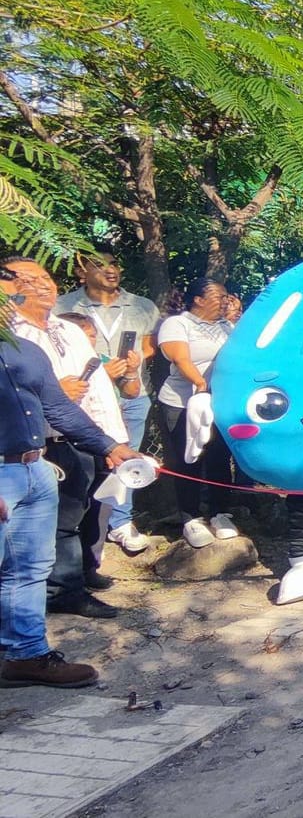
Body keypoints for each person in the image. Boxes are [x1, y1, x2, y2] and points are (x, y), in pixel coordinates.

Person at [0, 281, 140, 687]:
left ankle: (25, 655)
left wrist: (110, 446)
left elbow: (58, 408)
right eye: (15, 290)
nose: (20, 299)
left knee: (30, 568)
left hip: (34, 469)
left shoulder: (27, 351)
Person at [54, 246, 160, 555]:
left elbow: (149, 345)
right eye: (100, 266)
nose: (111, 270)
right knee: (87, 465)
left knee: (129, 461)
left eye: (114, 264)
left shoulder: (142, 305)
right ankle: (84, 529)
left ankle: (122, 524)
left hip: (132, 393)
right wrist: (101, 371)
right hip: (86, 400)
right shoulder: (63, 305)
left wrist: (133, 361)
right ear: (81, 272)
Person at [156, 276, 236, 547]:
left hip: (220, 404)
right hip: (182, 403)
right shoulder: (177, 324)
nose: (224, 301)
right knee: (187, 459)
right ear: (198, 300)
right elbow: (180, 358)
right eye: (218, 296)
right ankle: (190, 517)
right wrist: (200, 384)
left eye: (226, 296)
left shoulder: (228, 327)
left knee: (219, 458)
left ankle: (219, 513)